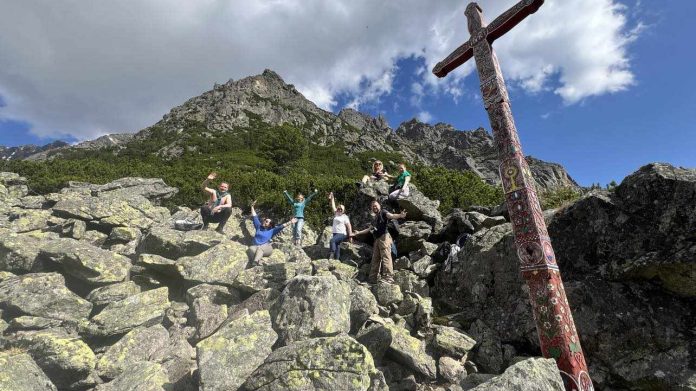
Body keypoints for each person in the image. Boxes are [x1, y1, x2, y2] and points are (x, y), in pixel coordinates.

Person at [352, 200, 407, 284]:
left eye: (376, 205)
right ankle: (372, 279)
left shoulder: (383, 212)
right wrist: (358, 232)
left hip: (384, 237)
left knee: (386, 256)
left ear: (379, 206)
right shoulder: (374, 218)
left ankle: (388, 277)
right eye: (373, 206)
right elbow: (368, 229)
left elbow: (391, 215)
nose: (374, 207)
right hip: (377, 239)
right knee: (375, 259)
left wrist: (400, 215)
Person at [248, 200, 297, 266]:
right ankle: (258, 260)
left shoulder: (272, 230)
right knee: (250, 249)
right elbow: (254, 216)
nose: (264, 221)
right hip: (256, 247)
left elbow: (281, 226)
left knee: (260, 248)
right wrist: (252, 206)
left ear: (270, 225)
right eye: (265, 220)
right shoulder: (258, 227)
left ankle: (255, 262)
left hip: (267, 248)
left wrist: (290, 222)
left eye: (266, 221)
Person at [328, 192, 352, 260]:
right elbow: (333, 205)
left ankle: (331, 254)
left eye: (341, 209)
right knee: (337, 245)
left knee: (332, 241)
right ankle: (337, 259)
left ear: (343, 211)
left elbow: (349, 226)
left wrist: (350, 236)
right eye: (339, 208)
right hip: (335, 233)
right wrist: (332, 197)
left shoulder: (345, 217)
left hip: (342, 233)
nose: (339, 210)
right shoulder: (336, 213)